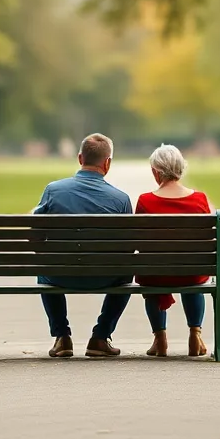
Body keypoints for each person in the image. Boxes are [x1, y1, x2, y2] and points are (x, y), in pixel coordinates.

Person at [33, 133, 132, 358]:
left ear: (80, 158)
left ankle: (62, 338)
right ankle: (100, 337)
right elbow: (127, 249)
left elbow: (36, 238)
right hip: (104, 276)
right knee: (127, 272)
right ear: (107, 163)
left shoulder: (53, 190)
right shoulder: (121, 199)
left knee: (43, 267)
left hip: (59, 274)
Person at [134, 144, 211, 358]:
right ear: (181, 169)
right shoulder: (200, 199)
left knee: (152, 275)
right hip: (192, 272)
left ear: (156, 172)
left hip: (156, 276)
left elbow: (138, 242)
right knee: (193, 277)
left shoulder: (145, 201)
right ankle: (195, 335)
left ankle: (160, 340)